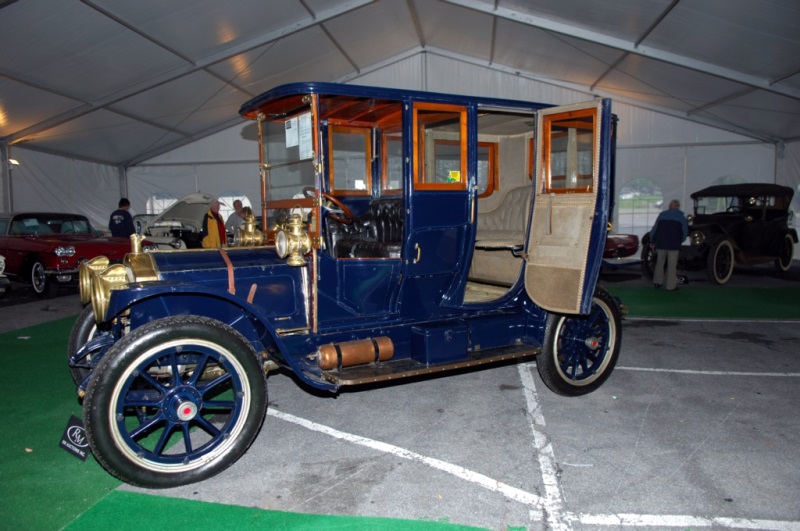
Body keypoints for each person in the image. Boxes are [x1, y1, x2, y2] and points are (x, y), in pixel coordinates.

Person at [649, 199, 688, 291]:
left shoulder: (662, 215)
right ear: (678, 207)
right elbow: (684, 232)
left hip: (661, 243)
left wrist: (652, 241)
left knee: (659, 263)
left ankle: (657, 282)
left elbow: (655, 229)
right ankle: (670, 286)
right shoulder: (681, 217)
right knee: (672, 265)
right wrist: (681, 240)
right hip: (674, 244)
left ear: (669, 206)